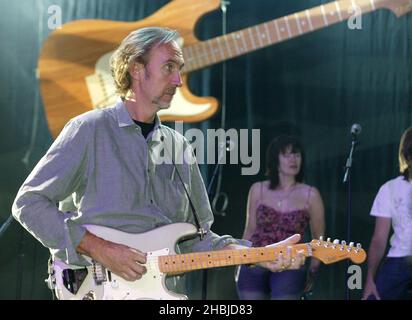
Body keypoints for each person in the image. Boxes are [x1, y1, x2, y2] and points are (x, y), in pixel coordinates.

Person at [12, 27, 305, 299]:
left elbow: (198, 240)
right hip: (96, 288)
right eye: (169, 67)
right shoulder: (89, 129)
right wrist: (99, 248)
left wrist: (260, 255)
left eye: (180, 69)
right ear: (137, 69)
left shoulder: (179, 148)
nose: (178, 80)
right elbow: (28, 203)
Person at [236, 134, 325, 300]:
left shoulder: (311, 194)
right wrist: (240, 260)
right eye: (287, 155)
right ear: (275, 160)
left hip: (290, 261)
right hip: (256, 257)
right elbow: (250, 230)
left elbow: (318, 237)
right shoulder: (258, 189)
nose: (293, 159)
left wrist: (313, 270)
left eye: (297, 154)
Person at [362, 127, 412, 300]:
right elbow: (379, 239)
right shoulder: (390, 188)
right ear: (407, 155)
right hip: (399, 259)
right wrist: (370, 280)